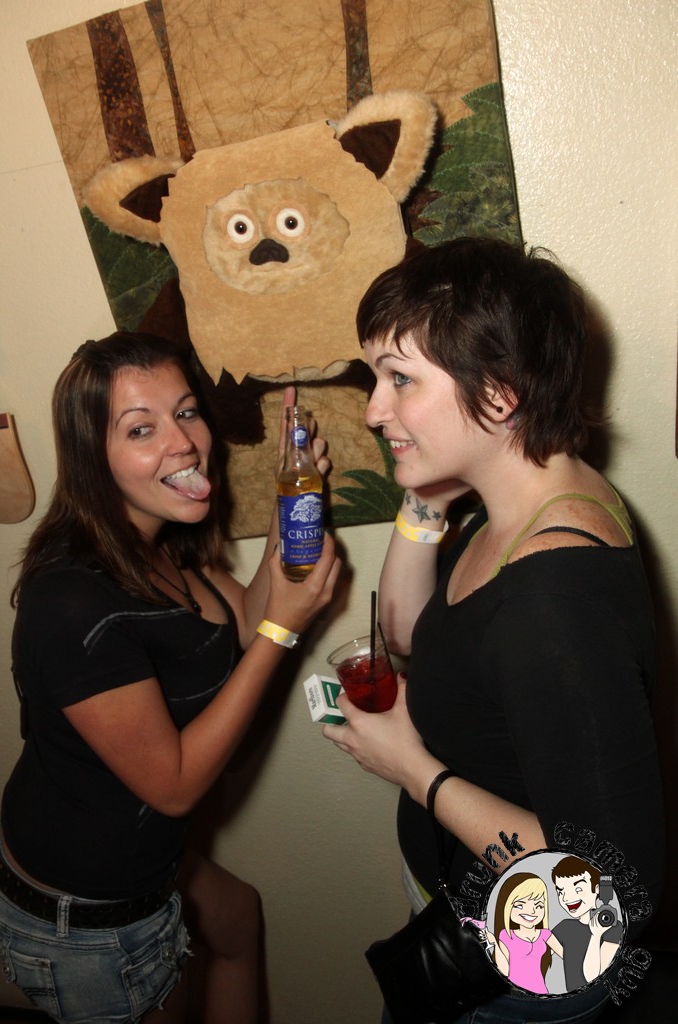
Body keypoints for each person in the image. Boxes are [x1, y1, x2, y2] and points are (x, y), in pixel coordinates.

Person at [322, 237, 665, 1023]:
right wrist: (424, 499)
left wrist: (412, 769)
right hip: (461, 902)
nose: (373, 409)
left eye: (399, 379)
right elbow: (407, 633)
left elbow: (612, 891)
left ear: (499, 393)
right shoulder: (527, 496)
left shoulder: (551, 602)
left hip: (519, 966)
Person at [0, 331, 340, 1024]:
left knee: (237, 917)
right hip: (87, 915)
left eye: (185, 412)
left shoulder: (162, 545)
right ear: (93, 457)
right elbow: (175, 785)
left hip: (145, 857)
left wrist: (292, 496)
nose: (182, 442)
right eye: (140, 429)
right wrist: (284, 631)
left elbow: (243, 619)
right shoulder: (71, 604)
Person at [483, 872, 563, 995]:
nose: (531, 911)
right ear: (507, 907)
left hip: (541, 992)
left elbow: (568, 957)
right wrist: (494, 943)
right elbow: (504, 971)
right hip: (514, 993)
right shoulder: (506, 936)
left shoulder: (545, 934)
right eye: (520, 905)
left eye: (538, 905)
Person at [551, 856, 623, 991]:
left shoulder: (613, 928)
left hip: (595, 995)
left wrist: (596, 935)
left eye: (578, 889)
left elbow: (592, 978)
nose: (566, 898)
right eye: (560, 892)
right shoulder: (565, 926)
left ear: (597, 889)